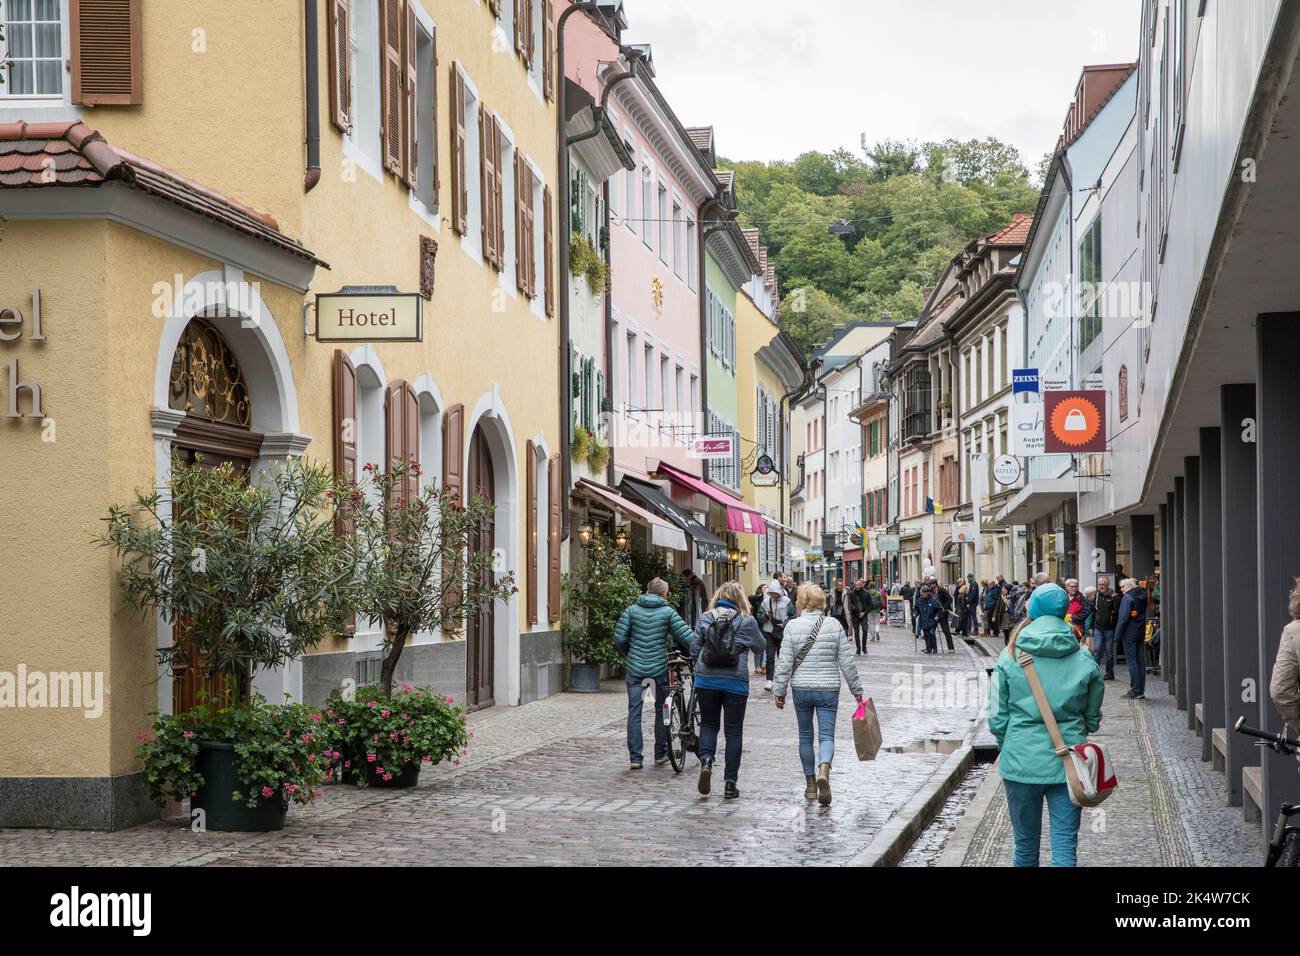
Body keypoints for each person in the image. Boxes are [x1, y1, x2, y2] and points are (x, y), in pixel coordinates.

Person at [987, 583, 1104, 867]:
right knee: (1065, 846)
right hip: (1070, 762)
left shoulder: (1011, 655)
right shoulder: (1083, 658)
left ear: (1033, 611)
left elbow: (996, 716)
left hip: (1021, 761)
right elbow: (1092, 715)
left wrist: (1010, 744)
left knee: (1025, 848)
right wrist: (1081, 727)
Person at [773, 584, 864, 806]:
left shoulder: (792, 626)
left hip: (802, 689)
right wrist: (857, 691)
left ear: (803, 602)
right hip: (828, 689)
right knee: (826, 736)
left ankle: (811, 785)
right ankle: (824, 768)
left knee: (805, 736)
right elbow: (847, 662)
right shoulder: (833, 625)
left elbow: (784, 663)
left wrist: (779, 691)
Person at [690, 582, 766, 799]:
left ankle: (706, 761)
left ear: (718, 596)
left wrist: (700, 671)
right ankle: (730, 784)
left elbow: (694, 648)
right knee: (733, 732)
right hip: (735, 682)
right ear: (740, 598)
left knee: (708, 725)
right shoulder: (747, 621)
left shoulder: (706, 617)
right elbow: (760, 647)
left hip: (707, 681)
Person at [613, 578, 694, 769]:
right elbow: (687, 637)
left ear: (647, 591)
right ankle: (660, 753)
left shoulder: (631, 611)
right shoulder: (668, 613)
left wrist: (630, 654)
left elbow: (619, 638)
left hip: (635, 670)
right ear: (664, 593)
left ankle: (635, 758)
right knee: (660, 710)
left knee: (634, 712)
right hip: (658, 670)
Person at [1115, 577, 1149, 700]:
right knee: (1140, 662)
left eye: (1123, 587)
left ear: (1129, 586)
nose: (1121, 589)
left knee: (1132, 663)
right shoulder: (1142, 595)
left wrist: (1117, 635)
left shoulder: (1128, 597)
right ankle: (1140, 690)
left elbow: (1123, 618)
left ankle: (1135, 690)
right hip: (1140, 633)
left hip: (1129, 634)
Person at [760, 579, 791, 692]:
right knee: (769, 656)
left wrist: (785, 624)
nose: (773, 595)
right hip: (769, 632)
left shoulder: (787, 601)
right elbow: (759, 616)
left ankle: (781, 680)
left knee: (782, 657)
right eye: (771, 593)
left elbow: (792, 615)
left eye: (775, 593)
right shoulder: (766, 602)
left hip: (782, 632)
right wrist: (766, 616)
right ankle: (769, 680)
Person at [1091, 575, 1120, 680]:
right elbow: (1093, 611)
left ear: (1108, 585)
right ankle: (1095, 672)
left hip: (1109, 628)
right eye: (1099, 584)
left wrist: (1115, 625)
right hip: (1098, 627)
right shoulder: (1097, 595)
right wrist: (1091, 626)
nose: (1101, 586)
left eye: (1103, 584)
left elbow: (1117, 613)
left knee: (1109, 651)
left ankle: (1109, 673)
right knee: (1097, 649)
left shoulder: (1114, 596)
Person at [914, 581, 943, 654]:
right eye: (922, 592)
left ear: (928, 593)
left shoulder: (933, 600)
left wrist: (937, 616)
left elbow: (939, 610)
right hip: (923, 620)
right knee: (926, 634)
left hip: (932, 620)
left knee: (931, 633)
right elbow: (916, 608)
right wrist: (915, 613)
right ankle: (928, 648)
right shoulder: (920, 600)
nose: (923, 594)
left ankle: (935, 648)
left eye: (924, 592)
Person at [932, 576, 956, 653]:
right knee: (931, 630)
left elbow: (949, 599)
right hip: (934, 613)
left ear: (935, 584)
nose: (930, 586)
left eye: (931, 584)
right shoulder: (930, 591)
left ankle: (951, 648)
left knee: (946, 631)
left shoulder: (942, 590)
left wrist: (944, 608)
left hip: (942, 614)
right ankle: (933, 648)